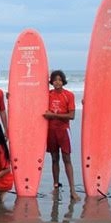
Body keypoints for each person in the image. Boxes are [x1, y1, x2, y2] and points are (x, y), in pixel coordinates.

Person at [43, 70, 81, 201]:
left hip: (64, 131)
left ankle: (72, 190)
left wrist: (53, 115)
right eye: (54, 80)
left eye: (59, 79)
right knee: (54, 159)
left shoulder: (68, 95)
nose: (57, 82)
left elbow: (71, 116)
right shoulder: (47, 94)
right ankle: (56, 186)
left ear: (63, 81)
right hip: (51, 131)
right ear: (51, 82)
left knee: (67, 160)